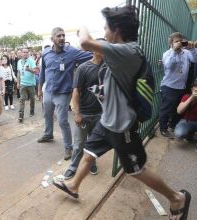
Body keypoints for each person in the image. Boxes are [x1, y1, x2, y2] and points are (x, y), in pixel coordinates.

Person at [52, 6, 191, 220]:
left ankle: (176, 198)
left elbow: (86, 42)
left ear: (116, 30)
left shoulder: (128, 51)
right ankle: (74, 185)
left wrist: (80, 26)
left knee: (136, 169)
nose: (104, 32)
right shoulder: (120, 51)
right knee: (89, 153)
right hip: (107, 121)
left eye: (106, 27)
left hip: (121, 125)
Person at [38, 27, 92, 160]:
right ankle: (48, 134)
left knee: (62, 121)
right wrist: (40, 89)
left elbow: (91, 55)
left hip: (63, 93)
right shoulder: (46, 53)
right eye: (59, 36)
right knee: (47, 115)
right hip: (48, 91)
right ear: (52, 39)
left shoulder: (72, 52)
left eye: (63, 36)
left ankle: (69, 147)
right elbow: (43, 73)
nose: (62, 38)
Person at [63, 43, 105, 180]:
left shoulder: (109, 68)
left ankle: (91, 163)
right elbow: (76, 92)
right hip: (84, 113)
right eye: (101, 47)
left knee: (94, 143)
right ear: (94, 50)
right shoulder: (83, 68)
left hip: (100, 114)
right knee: (79, 143)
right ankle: (73, 166)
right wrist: (77, 113)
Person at [160, 32, 197, 138]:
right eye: (176, 41)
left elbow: (195, 59)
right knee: (166, 109)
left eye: (181, 41)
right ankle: (163, 128)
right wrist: (175, 52)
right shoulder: (167, 53)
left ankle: (172, 125)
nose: (179, 43)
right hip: (169, 86)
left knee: (176, 109)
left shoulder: (186, 52)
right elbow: (168, 66)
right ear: (171, 44)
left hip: (181, 86)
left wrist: (192, 49)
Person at [174, 79, 197, 150]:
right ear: (192, 89)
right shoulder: (187, 97)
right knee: (179, 133)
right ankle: (190, 136)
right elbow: (179, 111)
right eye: (195, 87)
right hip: (187, 122)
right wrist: (191, 98)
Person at [17, 48, 37, 122]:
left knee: (32, 99)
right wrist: (18, 82)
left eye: (26, 52)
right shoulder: (19, 62)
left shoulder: (31, 60)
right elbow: (18, 72)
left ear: (28, 53)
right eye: (24, 52)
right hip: (23, 84)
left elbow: (36, 71)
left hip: (31, 84)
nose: (25, 53)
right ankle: (21, 115)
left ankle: (32, 111)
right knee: (22, 99)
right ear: (21, 53)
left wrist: (29, 69)